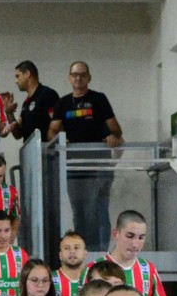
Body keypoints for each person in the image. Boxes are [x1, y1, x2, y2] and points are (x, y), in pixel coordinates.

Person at [47, 62, 122, 247]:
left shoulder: (98, 99)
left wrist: (113, 137)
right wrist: (60, 139)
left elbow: (116, 129)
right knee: (79, 210)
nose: (78, 78)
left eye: (82, 74)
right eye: (74, 75)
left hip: (99, 165)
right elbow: (52, 131)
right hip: (73, 167)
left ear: (89, 77)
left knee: (98, 209)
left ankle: (101, 252)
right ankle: (82, 250)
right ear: (69, 78)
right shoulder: (63, 103)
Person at [11, 60, 59, 143]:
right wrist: (9, 113)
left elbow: (58, 126)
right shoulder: (26, 103)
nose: (16, 81)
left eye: (18, 76)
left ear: (27, 74)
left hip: (46, 152)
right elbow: (18, 135)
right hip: (30, 153)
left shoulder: (47, 94)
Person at [51, 230, 89, 296]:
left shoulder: (93, 279)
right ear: (60, 255)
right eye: (67, 248)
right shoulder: (49, 280)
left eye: (76, 247)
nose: (72, 251)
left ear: (85, 253)